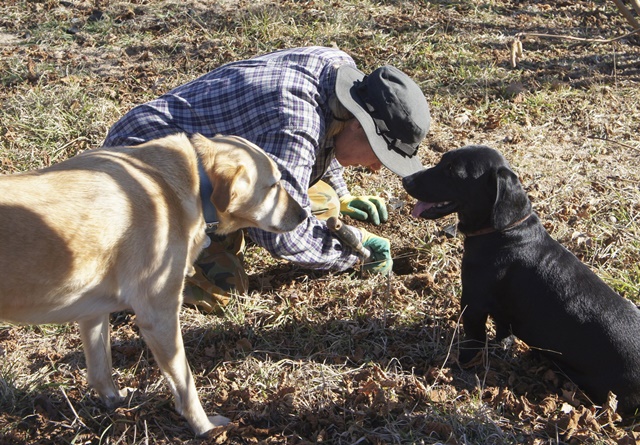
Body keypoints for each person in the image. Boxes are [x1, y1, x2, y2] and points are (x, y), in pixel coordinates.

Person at [103, 46, 430, 312]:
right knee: (225, 288)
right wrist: (353, 253)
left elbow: (328, 133)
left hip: (216, 171)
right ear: (360, 124)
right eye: (379, 155)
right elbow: (281, 234)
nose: (375, 169)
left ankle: (222, 226)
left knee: (326, 202)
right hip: (143, 176)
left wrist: (342, 194)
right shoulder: (294, 123)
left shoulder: (339, 75)